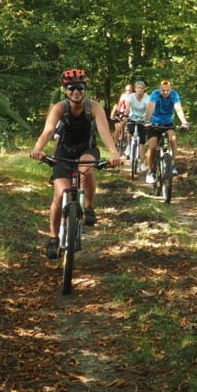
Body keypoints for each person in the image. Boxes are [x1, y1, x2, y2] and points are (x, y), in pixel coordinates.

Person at [29, 69, 122, 259]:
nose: (76, 91)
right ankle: (54, 238)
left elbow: (104, 131)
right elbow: (47, 131)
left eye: (80, 87)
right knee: (59, 193)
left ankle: (88, 206)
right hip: (63, 151)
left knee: (86, 168)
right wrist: (38, 149)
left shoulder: (93, 107)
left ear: (85, 88)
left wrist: (114, 153)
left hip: (87, 149)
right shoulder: (59, 108)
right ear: (65, 90)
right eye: (71, 87)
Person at [144, 79, 189, 184]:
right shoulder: (155, 94)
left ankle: (171, 164)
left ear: (171, 89)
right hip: (154, 123)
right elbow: (151, 107)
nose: (165, 92)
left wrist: (184, 122)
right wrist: (147, 120)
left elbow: (178, 109)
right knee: (153, 146)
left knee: (173, 139)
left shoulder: (174, 95)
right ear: (159, 89)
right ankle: (150, 171)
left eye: (167, 90)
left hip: (168, 123)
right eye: (163, 90)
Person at [124, 80, 151, 167]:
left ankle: (142, 163)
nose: (140, 90)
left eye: (141, 88)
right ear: (135, 89)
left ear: (144, 89)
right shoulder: (131, 97)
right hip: (132, 117)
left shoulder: (147, 97)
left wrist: (147, 120)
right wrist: (125, 115)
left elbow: (148, 109)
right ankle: (129, 146)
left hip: (143, 119)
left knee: (142, 142)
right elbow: (127, 108)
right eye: (138, 88)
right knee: (130, 131)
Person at [112, 83, 134, 147]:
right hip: (122, 113)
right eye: (126, 90)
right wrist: (117, 113)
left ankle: (129, 144)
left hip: (131, 114)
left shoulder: (134, 96)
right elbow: (119, 105)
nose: (128, 92)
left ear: (132, 90)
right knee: (118, 127)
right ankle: (114, 144)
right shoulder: (123, 96)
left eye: (129, 90)